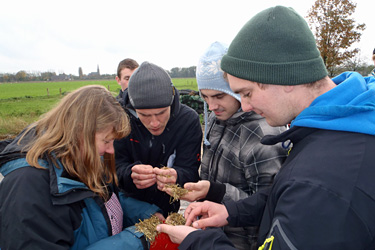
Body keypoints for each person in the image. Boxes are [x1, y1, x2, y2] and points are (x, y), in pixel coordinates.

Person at [156, 5, 375, 250]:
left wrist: (198, 242)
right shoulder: (335, 128)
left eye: (246, 93)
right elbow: (284, 197)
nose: (245, 106)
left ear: (286, 77)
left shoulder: (321, 179)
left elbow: (303, 193)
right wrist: (231, 211)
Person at [0, 85, 164, 249]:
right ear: (80, 131)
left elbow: (106, 200)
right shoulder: (27, 187)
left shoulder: (83, 156)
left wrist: (147, 215)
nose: (111, 150)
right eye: (106, 141)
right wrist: (138, 238)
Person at [164, 41, 287, 250]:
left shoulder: (264, 133)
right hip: (210, 235)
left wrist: (216, 192)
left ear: (237, 89)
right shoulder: (215, 118)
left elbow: (270, 204)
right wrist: (202, 190)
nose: (212, 106)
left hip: (242, 243)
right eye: (205, 97)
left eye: (219, 96)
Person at [114, 61, 202, 217]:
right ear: (133, 109)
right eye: (145, 115)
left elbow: (191, 170)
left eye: (161, 113)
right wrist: (130, 175)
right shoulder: (120, 116)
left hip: (167, 208)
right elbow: (113, 167)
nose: (154, 123)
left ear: (171, 102)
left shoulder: (188, 120)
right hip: (125, 206)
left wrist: (177, 176)